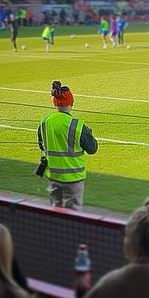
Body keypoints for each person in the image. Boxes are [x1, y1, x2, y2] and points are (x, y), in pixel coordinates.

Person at [37, 80, 98, 210]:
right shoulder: (77, 125)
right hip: (73, 177)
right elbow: (92, 148)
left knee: (55, 210)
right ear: (71, 103)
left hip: (53, 175)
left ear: (55, 103)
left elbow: (42, 145)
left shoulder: (45, 121)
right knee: (72, 215)